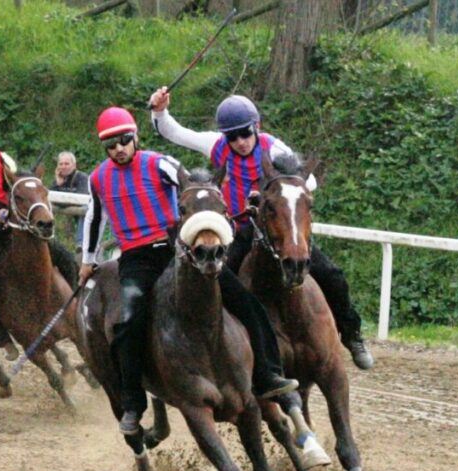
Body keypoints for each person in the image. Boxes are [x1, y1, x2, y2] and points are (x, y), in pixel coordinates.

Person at [79, 106, 298, 436]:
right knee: (127, 324)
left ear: (135, 137)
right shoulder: (98, 178)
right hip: (136, 260)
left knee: (244, 300)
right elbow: (94, 219)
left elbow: (197, 189)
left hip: (177, 249)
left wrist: (207, 223)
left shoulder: (159, 163)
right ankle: (133, 403)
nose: (119, 149)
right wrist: (88, 259)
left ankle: (267, 375)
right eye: (111, 145)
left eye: (124, 140)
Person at [149, 89, 374, 370]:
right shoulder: (215, 145)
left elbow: (309, 182)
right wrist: (159, 111)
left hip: (278, 230)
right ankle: (223, 353)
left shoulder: (276, 149)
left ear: (257, 127)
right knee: (218, 283)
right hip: (240, 232)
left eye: (245, 133)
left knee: (333, 276)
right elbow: (174, 132)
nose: (240, 142)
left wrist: (272, 193)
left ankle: (351, 335)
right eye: (233, 137)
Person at [0, 114, 79, 361]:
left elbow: (19, 183)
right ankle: (0, 335)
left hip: (19, 227)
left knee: (65, 258)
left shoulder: (2, 159)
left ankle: (73, 307)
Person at [51, 151, 90, 254]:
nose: (63, 167)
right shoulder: (58, 179)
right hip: (67, 208)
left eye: (67, 164)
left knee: (85, 208)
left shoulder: (82, 177)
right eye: (61, 164)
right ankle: (50, 239)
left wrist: (61, 202)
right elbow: (49, 197)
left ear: (74, 165)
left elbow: (81, 198)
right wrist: (58, 184)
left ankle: (80, 243)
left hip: (83, 210)